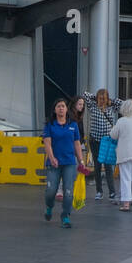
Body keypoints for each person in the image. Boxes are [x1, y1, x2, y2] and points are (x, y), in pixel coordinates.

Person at [41, 97, 84, 228]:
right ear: (54, 109)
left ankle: (65, 216)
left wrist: (81, 160)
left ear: (66, 109)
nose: (61, 108)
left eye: (63, 106)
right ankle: (49, 206)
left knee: (68, 191)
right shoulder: (49, 125)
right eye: (58, 106)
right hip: (53, 163)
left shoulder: (73, 125)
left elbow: (77, 143)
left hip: (69, 163)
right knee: (50, 191)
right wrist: (52, 157)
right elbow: (47, 143)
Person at [109, 99, 132, 211]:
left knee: (125, 178)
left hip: (124, 153)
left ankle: (126, 203)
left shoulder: (121, 121)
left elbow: (113, 136)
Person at [85, 89, 118, 200]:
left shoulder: (111, 108)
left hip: (107, 140)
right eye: (100, 98)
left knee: (108, 166)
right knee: (97, 166)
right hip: (95, 140)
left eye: (104, 98)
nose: (102, 100)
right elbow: (86, 95)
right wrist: (96, 97)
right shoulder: (92, 106)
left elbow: (121, 103)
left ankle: (112, 192)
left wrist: (110, 101)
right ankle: (99, 191)